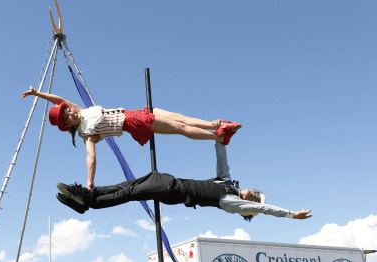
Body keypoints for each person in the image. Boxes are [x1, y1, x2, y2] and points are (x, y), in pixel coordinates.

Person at [21, 87, 241, 190]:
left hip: (135, 112)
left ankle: (218, 125)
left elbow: (59, 98)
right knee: (179, 127)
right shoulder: (86, 132)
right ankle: (220, 138)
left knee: (180, 118)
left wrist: (37, 94)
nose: (70, 113)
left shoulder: (83, 112)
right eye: (67, 117)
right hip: (133, 122)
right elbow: (91, 158)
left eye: (67, 111)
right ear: (68, 126)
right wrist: (90, 183)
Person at [55, 142, 312, 221]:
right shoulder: (227, 183)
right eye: (256, 192)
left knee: (130, 193)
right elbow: (222, 159)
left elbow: (264, 209)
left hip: (173, 190)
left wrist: (291, 215)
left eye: (254, 198)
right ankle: (84, 198)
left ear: (248, 205)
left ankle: (87, 201)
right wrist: (221, 137)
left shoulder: (231, 202)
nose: (253, 194)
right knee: (128, 186)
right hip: (168, 180)